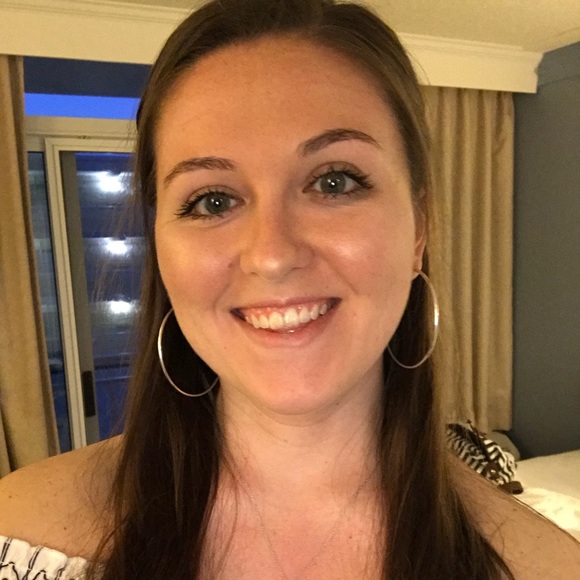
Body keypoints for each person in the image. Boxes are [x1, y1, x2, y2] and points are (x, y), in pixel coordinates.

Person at [1, 0, 579, 578]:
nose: (272, 256)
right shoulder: (16, 535)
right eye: (212, 201)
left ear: (419, 227)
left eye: (334, 182)